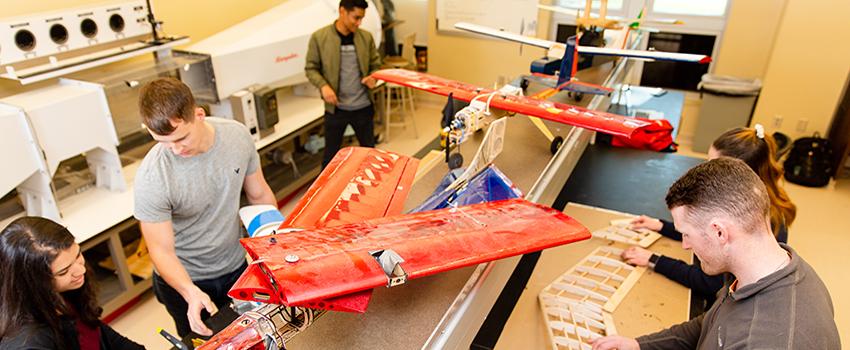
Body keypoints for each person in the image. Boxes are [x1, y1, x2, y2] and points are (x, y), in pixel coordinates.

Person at [590, 158, 839, 350]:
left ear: (719, 233)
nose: (685, 245)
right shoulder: (767, 270)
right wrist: (639, 345)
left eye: (686, 234)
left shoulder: (764, 340)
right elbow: (711, 325)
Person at [134, 78, 276, 337]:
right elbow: (160, 250)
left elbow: (259, 195)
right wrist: (190, 292)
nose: (175, 150)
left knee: (254, 335)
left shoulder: (237, 136)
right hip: (187, 281)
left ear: (199, 114)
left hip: (235, 265)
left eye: (181, 137)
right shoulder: (153, 176)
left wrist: (275, 247)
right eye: (163, 141)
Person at [621, 125, 797, 300]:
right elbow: (701, 231)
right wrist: (661, 226)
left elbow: (710, 283)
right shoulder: (754, 198)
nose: (706, 170)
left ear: (738, 172)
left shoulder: (748, 218)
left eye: (714, 165)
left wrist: (655, 260)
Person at [0, 217, 145, 349]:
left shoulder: (63, 293)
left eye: (78, 255)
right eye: (63, 272)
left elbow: (97, 333)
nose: (81, 270)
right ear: (33, 283)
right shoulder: (29, 343)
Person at [305, 0, 382, 168]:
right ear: (342, 11)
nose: (359, 22)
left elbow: (376, 65)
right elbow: (311, 68)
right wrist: (323, 86)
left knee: (370, 155)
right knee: (330, 159)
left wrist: (372, 77)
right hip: (336, 110)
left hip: (363, 107)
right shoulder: (319, 38)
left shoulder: (366, 37)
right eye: (356, 17)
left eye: (361, 18)